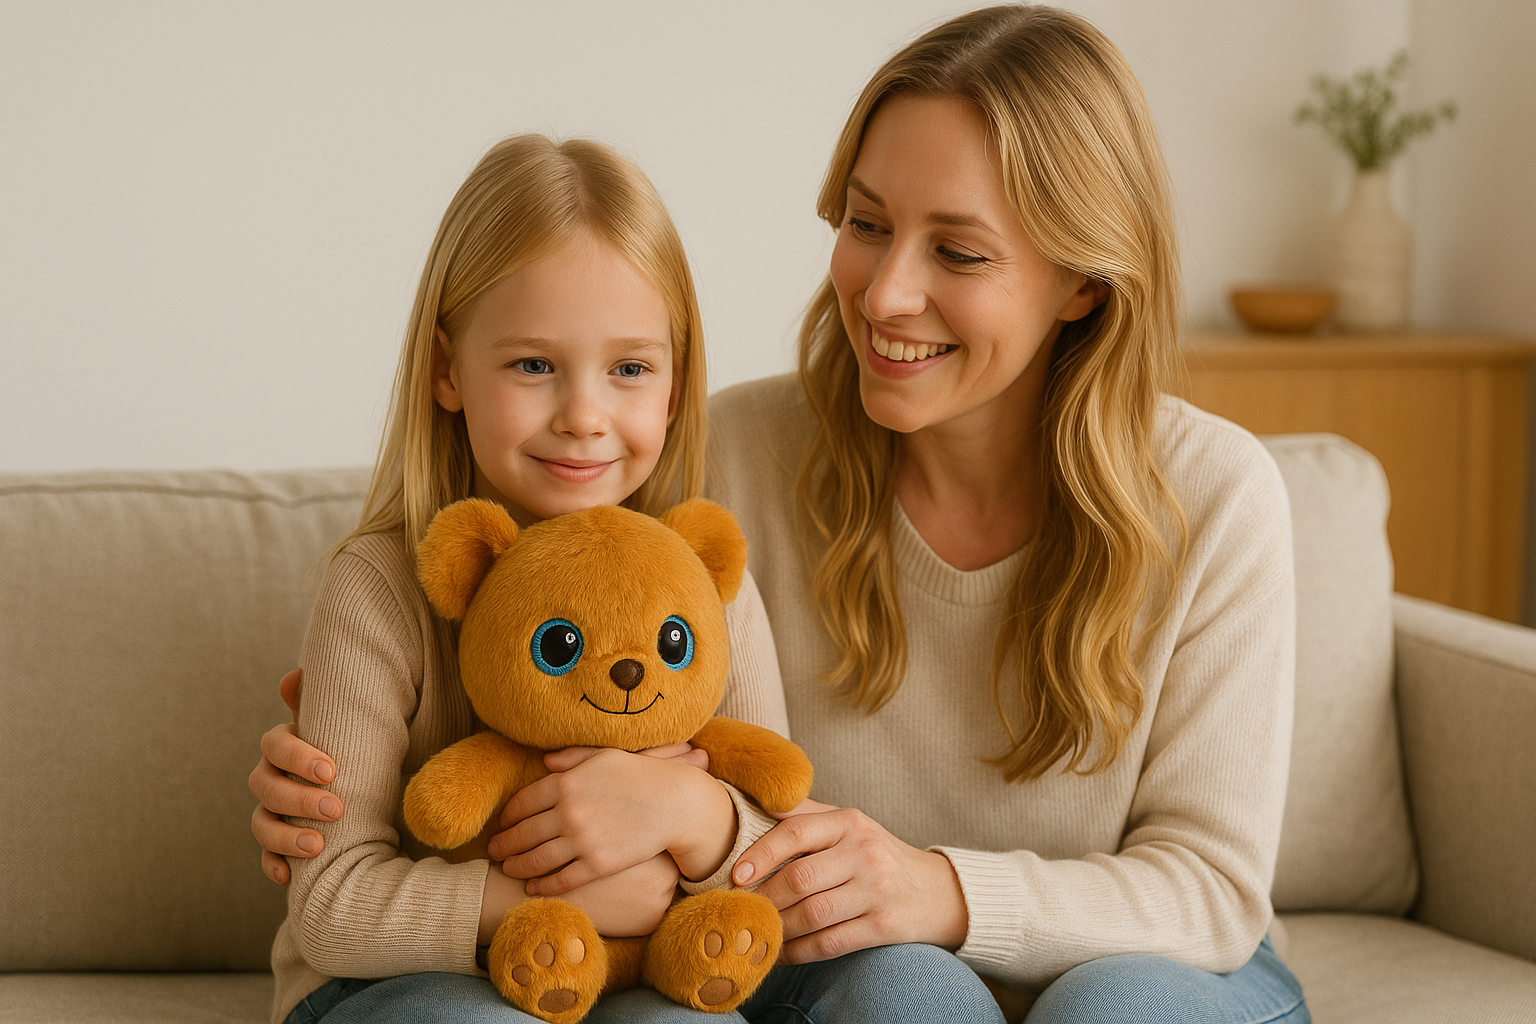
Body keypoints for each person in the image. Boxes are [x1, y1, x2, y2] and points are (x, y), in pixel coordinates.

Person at [254, 7, 1310, 1022]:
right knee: (900, 989)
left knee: (1119, 1007)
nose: (886, 292)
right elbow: (558, 668)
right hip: (850, 973)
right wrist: (325, 782)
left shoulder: (1215, 497)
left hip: (1149, 969)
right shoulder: (727, 453)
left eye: (959, 250)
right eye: (866, 222)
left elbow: (1211, 890)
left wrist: (941, 890)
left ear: (1082, 280)